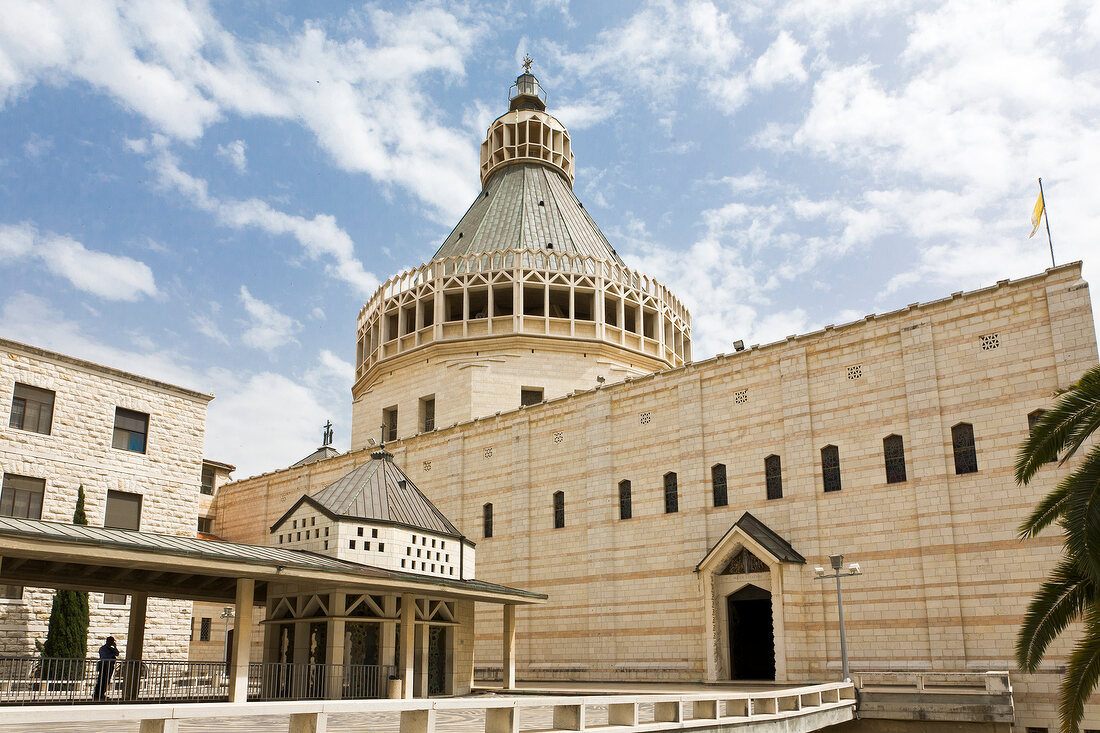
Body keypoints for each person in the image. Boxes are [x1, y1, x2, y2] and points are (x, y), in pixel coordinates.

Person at [93, 636, 118, 701]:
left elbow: (117, 653)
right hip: (104, 665)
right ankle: (97, 694)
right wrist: (112, 654)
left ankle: (102, 693)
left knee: (107, 680)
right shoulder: (103, 648)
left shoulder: (111, 649)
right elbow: (105, 656)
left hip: (110, 665)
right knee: (102, 679)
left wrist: (115, 647)